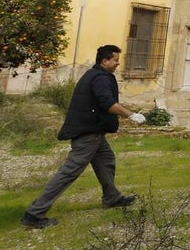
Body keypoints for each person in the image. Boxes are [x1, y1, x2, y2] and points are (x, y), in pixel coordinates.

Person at [21, 44, 146, 229]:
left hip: (94, 132)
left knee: (106, 160)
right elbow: (108, 103)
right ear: (104, 61)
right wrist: (131, 114)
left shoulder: (94, 75)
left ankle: (111, 197)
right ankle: (34, 213)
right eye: (115, 60)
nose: (118, 64)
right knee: (69, 171)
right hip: (88, 133)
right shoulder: (100, 78)